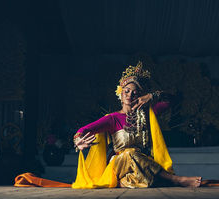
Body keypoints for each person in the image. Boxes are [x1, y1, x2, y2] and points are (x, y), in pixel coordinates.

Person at [71, 61, 201, 189]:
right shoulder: (112, 119)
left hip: (142, 164)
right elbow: (84, 130)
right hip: (118, 164)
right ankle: (176, 180)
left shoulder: (148, 114)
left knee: (139, 178)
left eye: (135, 92)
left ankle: (123, 182)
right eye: (126, 91)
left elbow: (173, 100)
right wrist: (78, 140)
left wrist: (153, 95)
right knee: (129, 153)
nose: (130, 95)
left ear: (140, 96)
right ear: (120, 94)